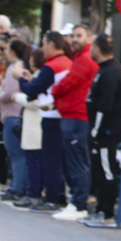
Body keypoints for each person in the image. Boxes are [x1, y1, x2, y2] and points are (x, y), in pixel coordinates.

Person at [14, 32, 72, 212]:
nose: (43, 48)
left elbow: (32, 92)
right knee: (60, 160)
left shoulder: (52, 66)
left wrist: (22, 79)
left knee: (51, 160)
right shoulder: (68, 64)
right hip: (65, 116)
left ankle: (52, 199)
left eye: (44, 44)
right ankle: (59, 196)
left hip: (52, 117)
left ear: (52, 44)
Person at [49, 23, 99, 221]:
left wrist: (55, 93)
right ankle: (78, 202)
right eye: (73, 35)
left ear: (89, 38)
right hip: (73, 114)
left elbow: (66, 84)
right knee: (77, 161)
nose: (75, 39)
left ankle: (79, 203)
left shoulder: (84, 59)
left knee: (77, 162)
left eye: (79, 35)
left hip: (77, 116)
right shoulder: (80, 58)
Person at [82, 33, 121, 224]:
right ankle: (101, 208)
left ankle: (107, 212)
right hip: (101, 131)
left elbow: (105, 106)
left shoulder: (111, 72)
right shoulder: (105, 70)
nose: (91, 50)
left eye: (93, 47)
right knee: (100, 171)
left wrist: (97, 132)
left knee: (107, 171)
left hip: (107, 133)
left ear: (98, 48)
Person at [1, 39, 31, 202]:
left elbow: (9, 93)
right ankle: (18, 186)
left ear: (12, 52)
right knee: (19, 154)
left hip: (12, 115)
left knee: (16, 154)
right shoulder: (23, 66)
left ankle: (17, 187)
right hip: (19, 114)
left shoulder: (14, 69)